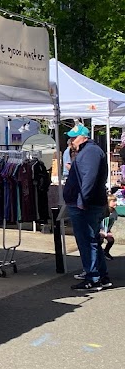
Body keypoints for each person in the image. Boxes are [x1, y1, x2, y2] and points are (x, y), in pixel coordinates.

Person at [63, 124, 112, 290]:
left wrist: (82, 201)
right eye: (70, 138)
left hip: (85, 205)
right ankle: (100, 276)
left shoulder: (90, 152)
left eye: (74, 137)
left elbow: (89, 178)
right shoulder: (89, 151)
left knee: (87, 241)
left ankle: (93, 277)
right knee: (92, 241)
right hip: (86, 203)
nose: (71, 141)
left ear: (84, 137)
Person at [99, 194, 118, 260]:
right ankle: (98, 253)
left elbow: (109, 224)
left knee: (111, 240)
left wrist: (108, 231)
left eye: (116, 201)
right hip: (100, 229)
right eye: (113, 201)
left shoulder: (114, 212)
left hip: (106, 229)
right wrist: (102, 231)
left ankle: (106, 252)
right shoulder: (103, 211)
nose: (116, 203)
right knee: (100, 240)